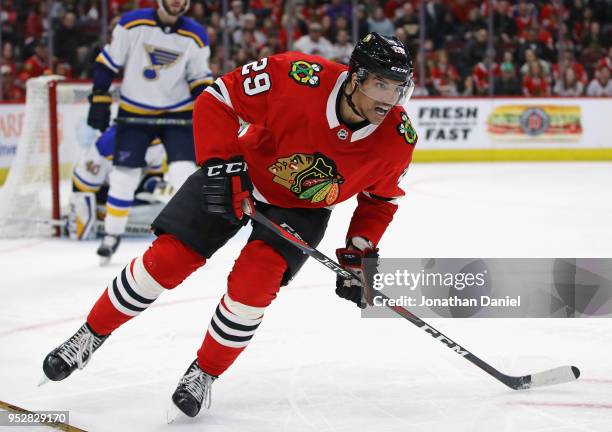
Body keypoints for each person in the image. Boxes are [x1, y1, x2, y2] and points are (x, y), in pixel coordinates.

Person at [42, 33, 418, 420]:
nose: (389, 99)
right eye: (380, 84)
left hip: (300, 210)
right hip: (237, 173)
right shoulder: (295, 75)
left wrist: (359, 251)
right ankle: (89, 334)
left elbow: (380, 200)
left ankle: (203, 373)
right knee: (167, 261)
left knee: (253, 287)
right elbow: (217, 97)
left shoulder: (397, 139)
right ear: (355, 77)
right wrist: (221, 163)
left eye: (398, 87)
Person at [87, 0, 212, 263]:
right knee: (124, 175)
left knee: (183, 173)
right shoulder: (132, 23)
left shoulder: (196, 34)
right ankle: (112, 234)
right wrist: (99, 96)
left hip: (176, 111)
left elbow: (200, 78)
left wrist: (207, 110)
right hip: (135, 111)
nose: (178, 2)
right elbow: (108, 63)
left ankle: (188, 234)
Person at [68, 125, 167, 241]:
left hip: (131, 196)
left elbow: (150, 178)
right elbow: (82, 187)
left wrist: (169, 193)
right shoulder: (107, 145)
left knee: (169, 209)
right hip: (103, 201)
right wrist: (83, 217)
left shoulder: (157, 140)